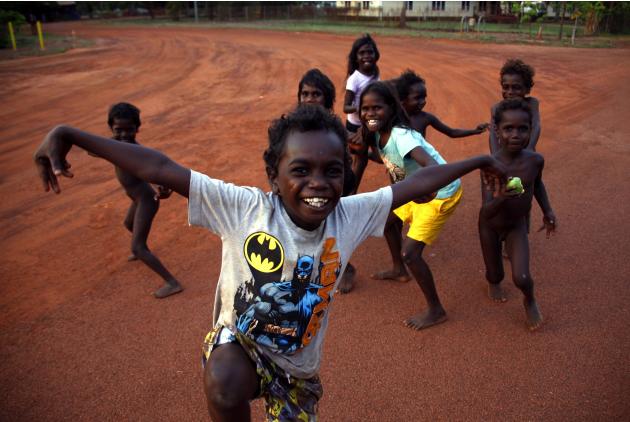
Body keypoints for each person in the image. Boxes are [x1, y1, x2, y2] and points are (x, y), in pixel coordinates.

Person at [34, 105, 505, 421]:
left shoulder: (352, 215)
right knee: (223, 381)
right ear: (273, 175)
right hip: (240, 341)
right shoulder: (244, 209)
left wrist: (479, 158)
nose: (318, 183)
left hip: (299, 365)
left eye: (332, 171)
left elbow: (418, 184)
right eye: (300, 170)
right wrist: (70, 134)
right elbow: (159, 167)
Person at [360, 81, 464, 330]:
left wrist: (424, 193)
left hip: (440, 191)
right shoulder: (378, 133)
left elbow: (433, 167)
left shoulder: (401, 135)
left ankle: (436, 310)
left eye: (377, 108)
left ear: (391, 108)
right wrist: (361, 149)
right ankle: (399, 270)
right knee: (386, 222)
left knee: (411, 253)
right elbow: (387, 157)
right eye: (365, 109)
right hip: (416, 189)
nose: (371, 113)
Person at [479, 99, 555, 331]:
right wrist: (504, 195)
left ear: (530, 131)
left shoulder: (535, 160)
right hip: (490, 225)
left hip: (516, 225)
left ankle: (529, 300)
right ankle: (493, 282)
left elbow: (538, 185)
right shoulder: (491, 164)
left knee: (521, 277)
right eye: (508, 129)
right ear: (497, 132)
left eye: (523, 129)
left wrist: (548, 211)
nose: (515, 134)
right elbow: (486, 210)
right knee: (495, 275)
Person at [102, 103, 182, 298]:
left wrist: (162, 187)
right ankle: (141, 248)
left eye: (129, 130)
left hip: (147, 199)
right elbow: (93, 149)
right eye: (118, 130)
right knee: (128, 223)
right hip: (137, 199)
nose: (124, 135)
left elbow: (151, 172)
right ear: (111, 128)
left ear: (137, 129)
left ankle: (172, 283)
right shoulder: (113, 145)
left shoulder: (135, 152)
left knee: (137, 247)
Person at [297, 68, 358, 294]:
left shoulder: (334, 128)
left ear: (327, 99)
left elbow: (346, 163)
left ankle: (347, 267)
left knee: (330, 230)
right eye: (305, 94)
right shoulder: (294, 125)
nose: (310, 99)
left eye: (316, 94)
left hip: (329, 189)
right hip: (303, 188)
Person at [394, 70, 489, 139]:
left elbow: (452, 132)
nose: (423, 102)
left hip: (420, 165)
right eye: (417, 98)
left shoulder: (425, 118)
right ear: (402, 99)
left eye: (424, 97)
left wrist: (474, 131)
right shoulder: (392, 117)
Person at [343, 34, 381, 193]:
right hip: (356, 125)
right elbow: (346, 107)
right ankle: (351, 195)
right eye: (362, 53)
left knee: (380, 157)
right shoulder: (354, 79)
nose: (367, 56)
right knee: (360, 161)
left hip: (371, 124)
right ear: (356, 57)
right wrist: (362, 110)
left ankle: (359, 154)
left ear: (376, 55)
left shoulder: (375, 73)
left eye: (370, 52)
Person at [489, 59, 541, 153]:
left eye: (516, 88)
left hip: (525, 153)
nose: (510, 92)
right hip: (505, 155)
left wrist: (530, 148)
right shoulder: (496, 108)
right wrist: (495, 158)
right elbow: (493, 135)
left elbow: (536, 126)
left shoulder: (532, 104)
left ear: (527, 89)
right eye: (506, 87)